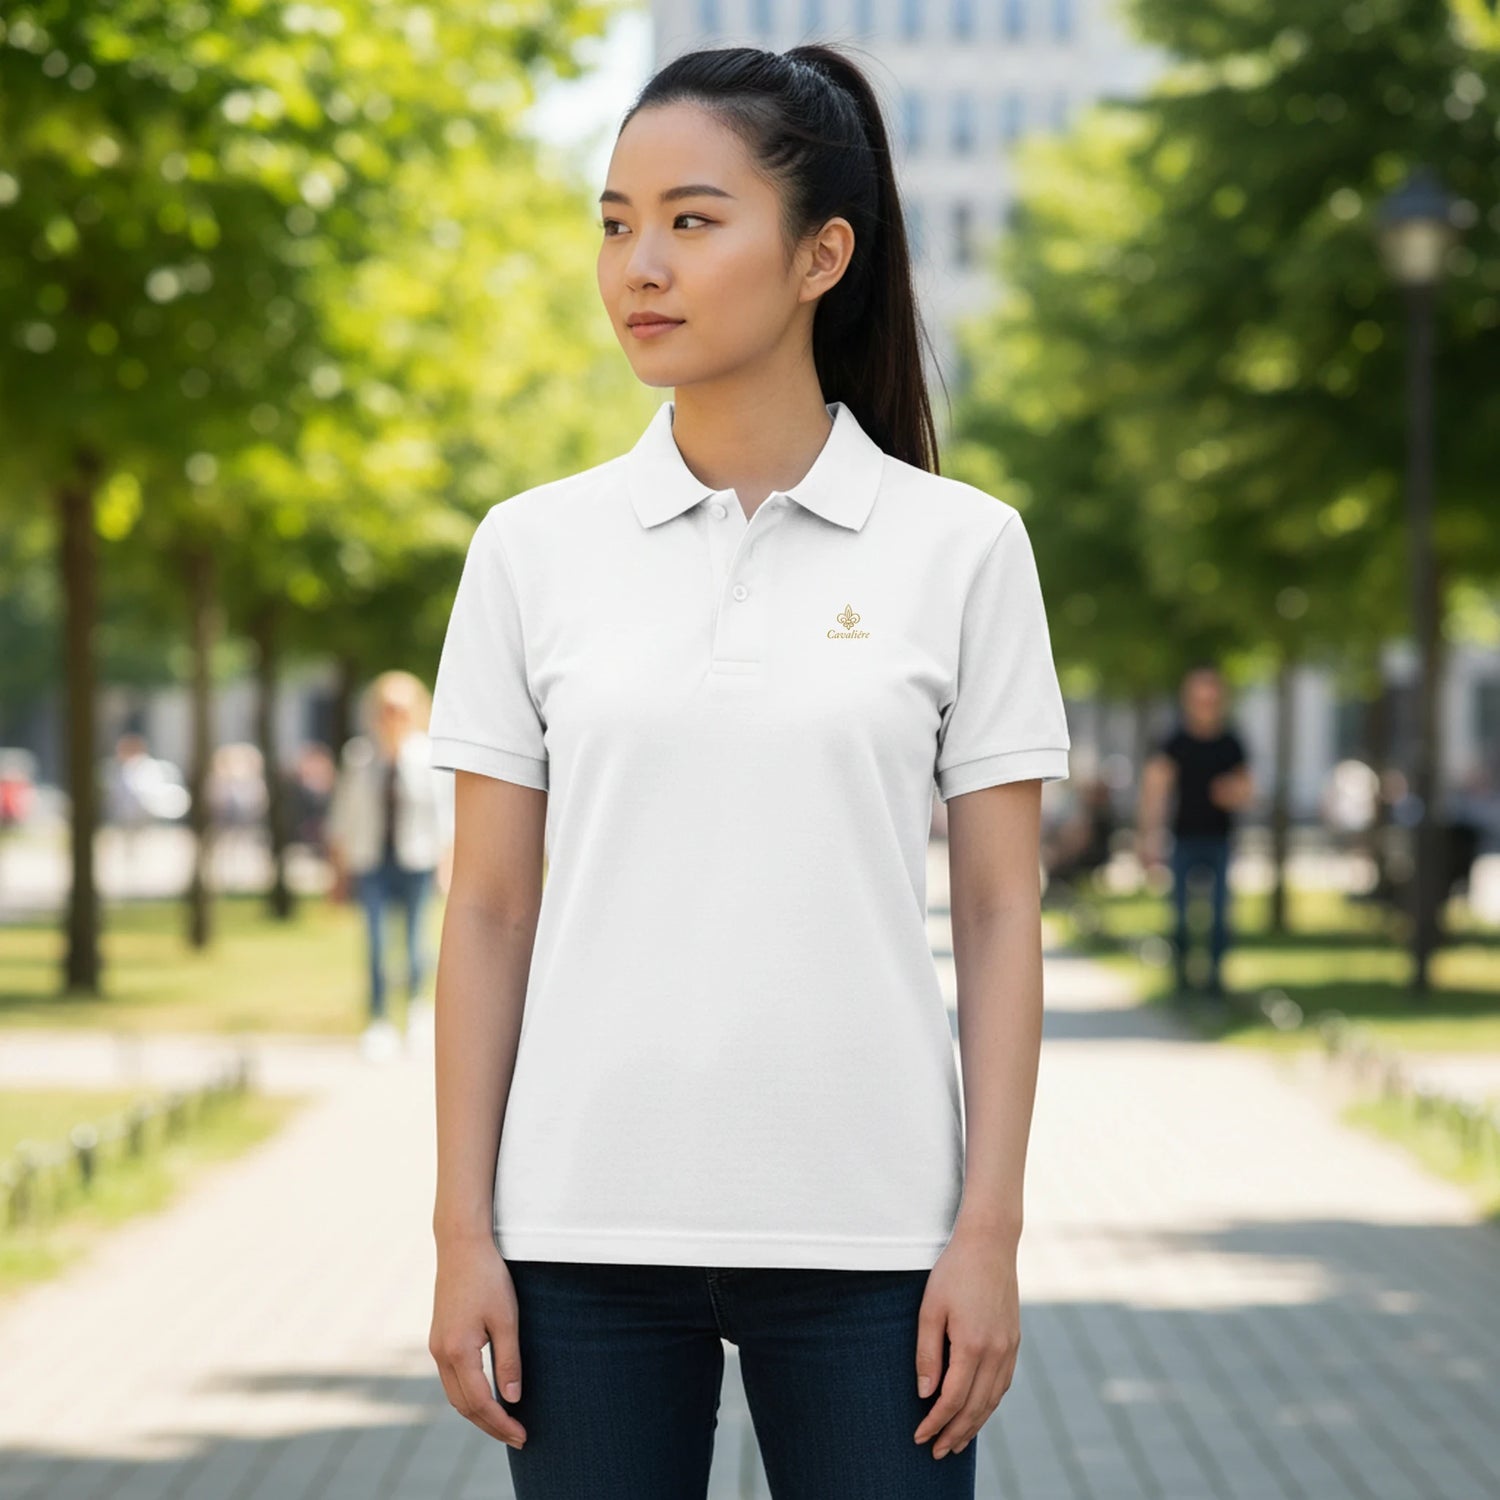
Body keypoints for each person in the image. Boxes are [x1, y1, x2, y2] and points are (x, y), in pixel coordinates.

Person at [425, 43, 1071, 1500]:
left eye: (692, 220)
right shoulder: (529, 550)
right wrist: (464, 1232)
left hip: (873, 1250)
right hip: (578, 1243)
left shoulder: (964, 549)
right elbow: (485, 915)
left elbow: (1000, 916)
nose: (638, 264)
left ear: (820, 255)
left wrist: (989, 1232)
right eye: (614, 221)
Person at [327, 671, 454, 1061]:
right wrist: (338, 872)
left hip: (416, 861)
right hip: (373, 863)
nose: (392, 717)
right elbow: (342, 819)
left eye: (399, 709)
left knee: (417, 943)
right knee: (378, 945)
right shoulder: (359, 757)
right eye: (386, 709)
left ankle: (416, 1010)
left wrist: (447, 867)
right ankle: (379, 1020)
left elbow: (446, 818)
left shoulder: (430, 755)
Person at [1136, 664, 1254, 1001]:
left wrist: (1232, 792)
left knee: (1219, 916)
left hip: (1219, 839)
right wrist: (1148, 837)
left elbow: (1247, 789)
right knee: (1181, 916)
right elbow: (1155, 790)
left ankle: (1215, 982)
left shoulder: (1231, 742)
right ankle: (1182, 983)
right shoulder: (1175, 742)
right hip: (1183, 839)